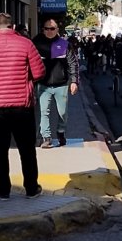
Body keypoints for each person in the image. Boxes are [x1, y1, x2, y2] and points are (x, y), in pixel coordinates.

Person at [0, 13, 45, 201]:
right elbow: (39, 72)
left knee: (0, 151)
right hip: (22, 106)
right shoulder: (26, 44)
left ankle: (3, 190)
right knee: (27, 150)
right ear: (12, 27)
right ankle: (31, 188)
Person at [32, 18, 79, 148]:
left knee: (62, 113)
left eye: (52, 28)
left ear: (57, 30)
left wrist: (74, 81)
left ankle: (61, 132)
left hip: (62, 84)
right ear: (43, 29)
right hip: (43, 84)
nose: (49, 31)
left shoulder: (64, 44)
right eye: (47, 28)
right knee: (44, 112)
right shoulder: (36, 43)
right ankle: (46, 137)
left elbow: (73, 63)